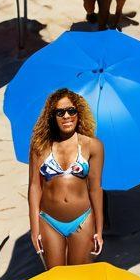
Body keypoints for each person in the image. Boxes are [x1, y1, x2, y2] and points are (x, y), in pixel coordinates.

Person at [27, 89, 104, 269]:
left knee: (79, 277)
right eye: (60, 112)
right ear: (52, 116)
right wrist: (34, 228)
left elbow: (96, 188)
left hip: (83, 220)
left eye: (71, 110)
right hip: (48, 221)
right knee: (55, 279)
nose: (66, 116)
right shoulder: (39, 147)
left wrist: (99, 230)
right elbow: (34, 187)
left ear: (79, 113)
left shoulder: (93, 146)